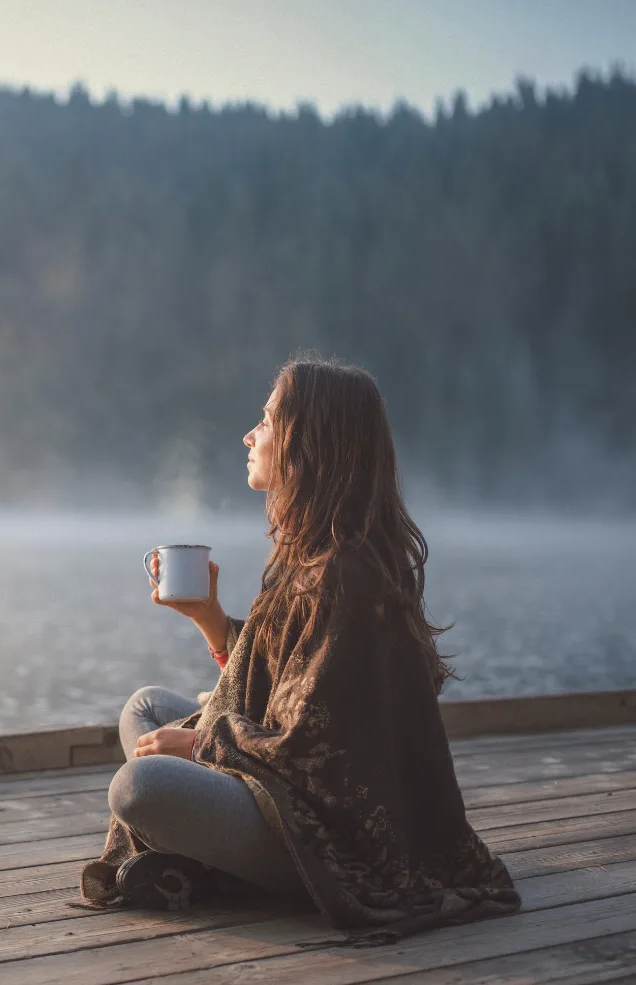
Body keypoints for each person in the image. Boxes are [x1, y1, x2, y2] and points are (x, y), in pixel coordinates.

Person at [78, 350, 521, 942]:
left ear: (306, 442)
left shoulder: (347, 574)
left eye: (265, 420)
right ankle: (198, 851)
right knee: (146, 708)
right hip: (282, 787)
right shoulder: (313, 553)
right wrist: (209, 618)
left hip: (333, 837)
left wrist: (202, 741)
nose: (248, 435)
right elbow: (282, 680)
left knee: (139, 787)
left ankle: (209, 862)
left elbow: (317, 747)